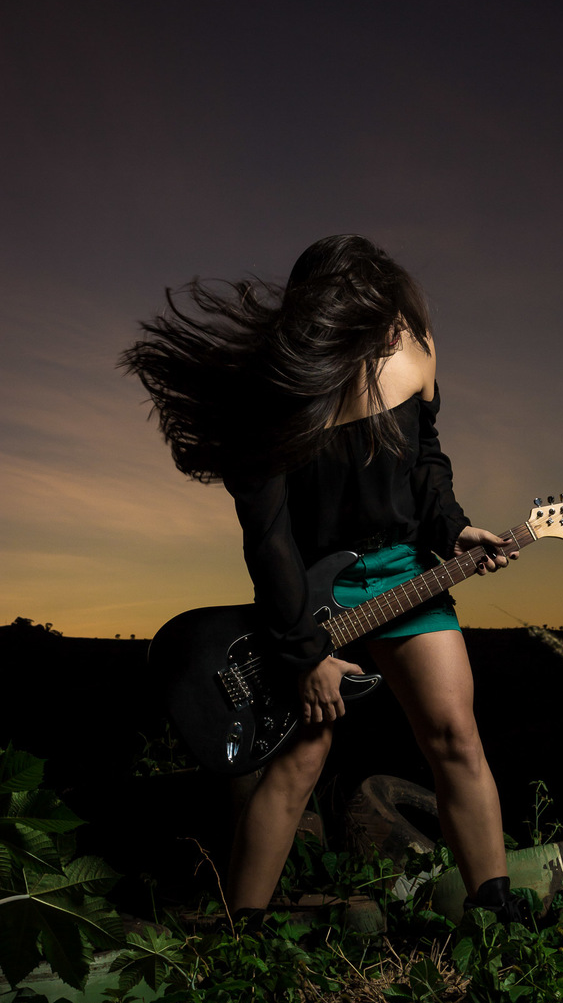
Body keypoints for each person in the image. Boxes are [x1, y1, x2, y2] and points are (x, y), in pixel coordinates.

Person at [123, 234, 522, 926]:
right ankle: (240, 934)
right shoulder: (274, 390)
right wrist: (303, 654)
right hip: (304, 594)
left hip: (403, 570)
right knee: (300, 759)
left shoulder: (415, 345)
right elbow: (268, 538)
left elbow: (425, 457)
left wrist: (452, 527)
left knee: (455, 734)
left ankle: (498, 916)